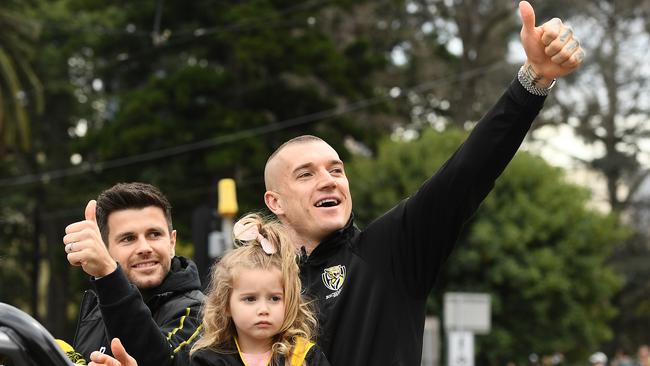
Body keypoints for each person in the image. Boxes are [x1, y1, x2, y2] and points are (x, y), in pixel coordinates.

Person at [260, 2, 584, 365]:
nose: (328, 181)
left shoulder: (391, 251)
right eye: (306, 174)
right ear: (275, 202)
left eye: (336, 170)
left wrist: (534, 80)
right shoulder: (260, 285)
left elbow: (467, 172)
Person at [87, 213, 330, 366]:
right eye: (250, 299)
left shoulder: (305, 356)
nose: (263, 309)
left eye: (275, 298)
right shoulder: (207, 357)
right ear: (226, 304)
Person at [63, 182, 204, 366]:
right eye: (128, 238)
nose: (144, 248)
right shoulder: (98, 309)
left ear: (172, 242)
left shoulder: (201, 313)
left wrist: (107, 273)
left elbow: (163, 362)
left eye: (154, 234)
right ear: (104, 248)